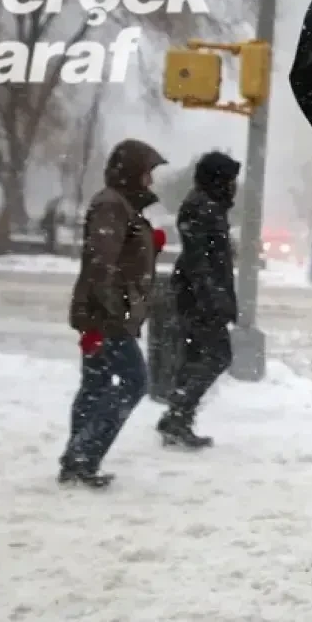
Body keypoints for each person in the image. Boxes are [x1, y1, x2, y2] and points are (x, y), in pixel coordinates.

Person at [61, 139, 168, 488]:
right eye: (147, 172)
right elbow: (101, 263)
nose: (150, 181)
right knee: (135, 382)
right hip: (107, 316)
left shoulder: (120, 205)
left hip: (104, 314)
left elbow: (119, 256)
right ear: (133, 172)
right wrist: (106, 319)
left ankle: (77, 461)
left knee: (95, 384)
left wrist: (149, 246)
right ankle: (82, 455)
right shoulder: (111, 205)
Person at [157, 151, 240, 449]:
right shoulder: (202, 208)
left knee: (195, 359)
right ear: (218, 180)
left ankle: (177, 418)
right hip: (201, 298)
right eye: (230, 180)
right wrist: (214, 298)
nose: (234, 187)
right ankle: (178, 413)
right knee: (218, 356)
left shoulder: (207, 206)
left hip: (200, 295)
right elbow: (199, 261)